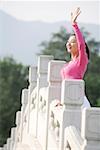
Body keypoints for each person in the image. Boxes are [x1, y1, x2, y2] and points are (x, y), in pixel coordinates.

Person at [60, 7, 90, 108]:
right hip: (69, 101)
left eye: (72, 42)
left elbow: (82, 44)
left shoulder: (81, 61)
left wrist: (74, 25)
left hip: (79, 102)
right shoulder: (70, 63)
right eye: (68, 42)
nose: (69, 44)